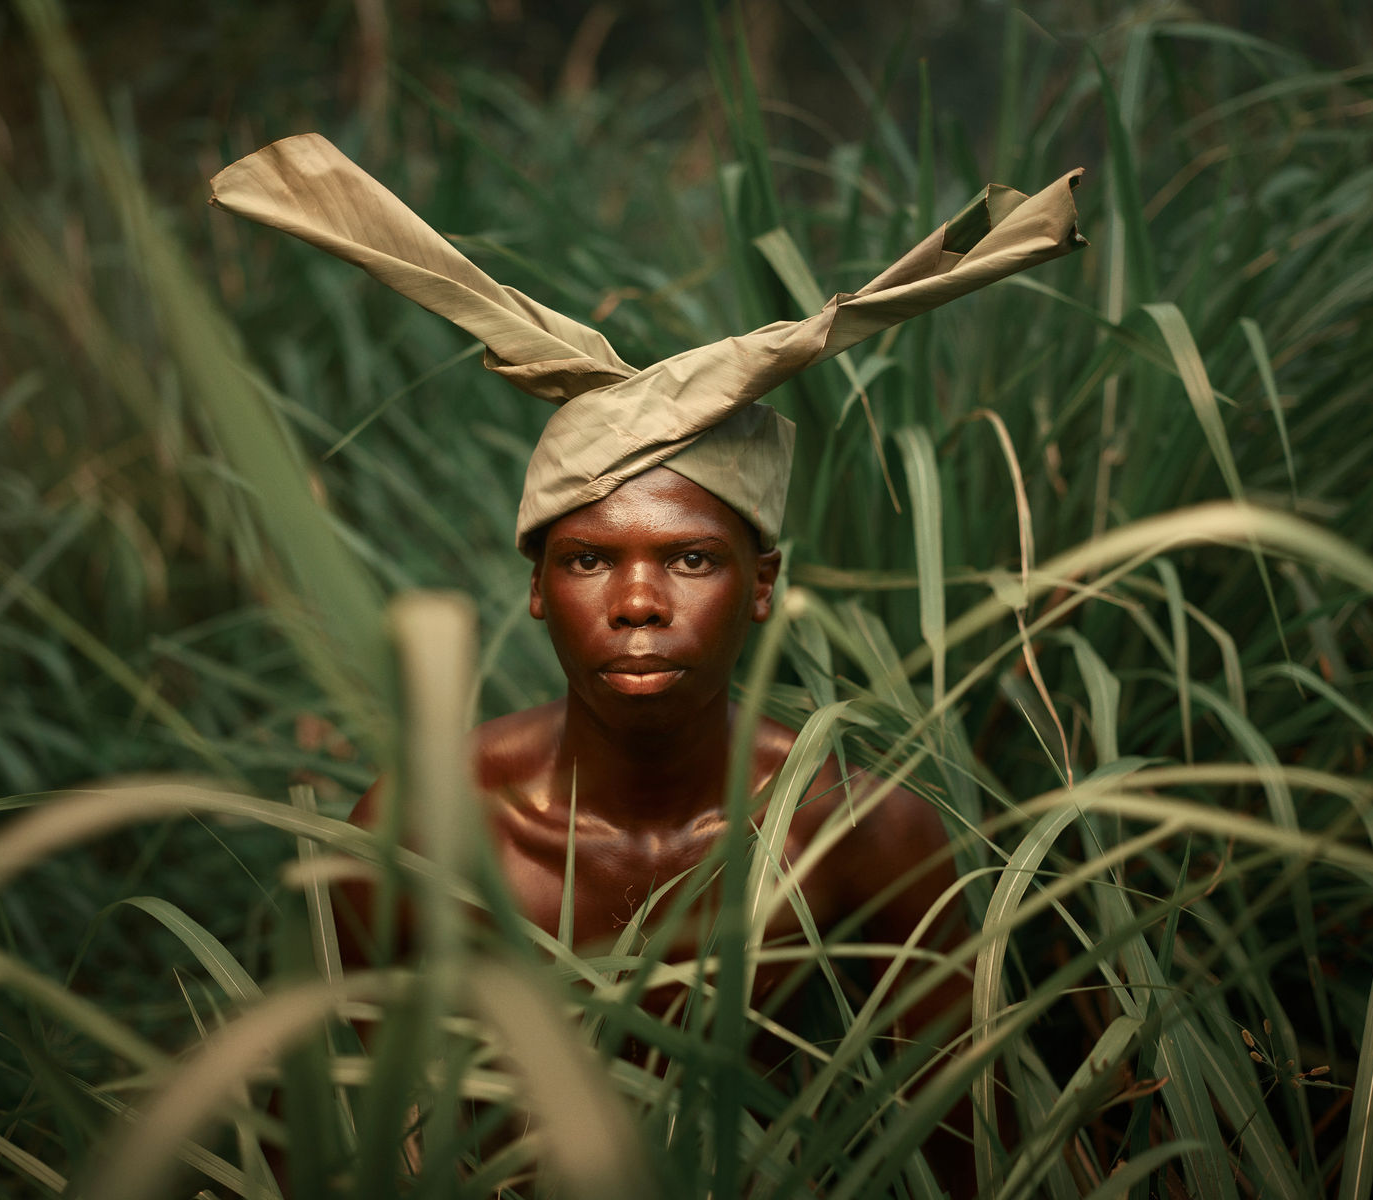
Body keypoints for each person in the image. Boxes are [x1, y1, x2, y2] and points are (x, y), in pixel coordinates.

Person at [211, 134, 1083, 1195]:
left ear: (761, 584)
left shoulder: (855, 831)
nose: (635, 603)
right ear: (537, 587)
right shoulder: (429, 826)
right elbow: (296, 1139)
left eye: (689, 558)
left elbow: (969, 1154)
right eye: (587, 559)